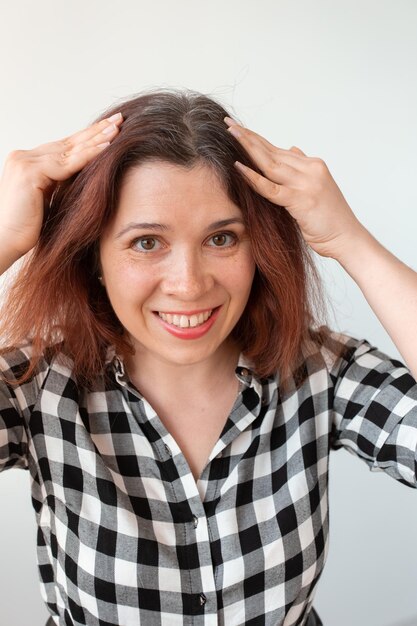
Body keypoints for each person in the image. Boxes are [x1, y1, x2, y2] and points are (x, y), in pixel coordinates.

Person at [0, 88, 415, 626]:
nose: (189, 284)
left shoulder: (318, 371)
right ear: (94, 256)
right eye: (147, 243)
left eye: (222, 238)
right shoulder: (37, 387)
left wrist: (351, 240)